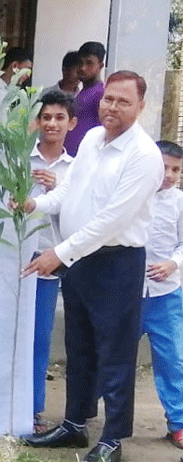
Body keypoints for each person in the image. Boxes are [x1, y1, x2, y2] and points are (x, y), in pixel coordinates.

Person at [20, 71, 164, 462]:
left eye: (123, 102)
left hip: (116, 262)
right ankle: (74, 425)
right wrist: (37, 204)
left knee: (114, 353)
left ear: (141, 107)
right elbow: (69, 189)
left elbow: (112, 220)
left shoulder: (144, 156)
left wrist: (60, 253)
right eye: (108, 100)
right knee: (79, 346)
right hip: (79, 259)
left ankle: (113, 439)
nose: (112, 108)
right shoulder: (91, 138)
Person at [27, 90, 77, 433]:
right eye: (46, 117)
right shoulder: (17, 159)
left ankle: (32, 409)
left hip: (50, 262)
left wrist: (56, 191)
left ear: (71, 123)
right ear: (36, 121)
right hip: (13, 259)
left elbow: (78, 218)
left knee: (40, 337)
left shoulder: (77, 169)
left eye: (59, 118)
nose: (52, 124)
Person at [139, 140, 183, 449]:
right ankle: (90, 416)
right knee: (110, 359)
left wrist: (173, 263)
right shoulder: (133, 196)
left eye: (176, 169)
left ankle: (178, 423)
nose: (169, 175)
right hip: (126, 294)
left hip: (166, 296)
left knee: (174, 359)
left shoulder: (180, 203)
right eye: (164, 167)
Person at [64, 42, 105, 157]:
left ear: (100, 66)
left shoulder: (101, 94)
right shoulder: (83, 92)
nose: (82, 68)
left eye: (89, 63)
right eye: (80, 63)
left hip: (87, 158)